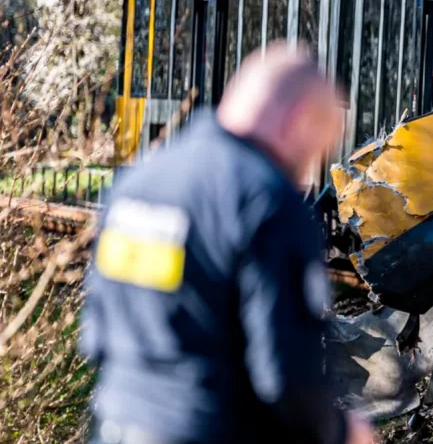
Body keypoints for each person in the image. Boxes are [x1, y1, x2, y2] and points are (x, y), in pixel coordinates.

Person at [81, 43, 375, 444]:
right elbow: (285, 376)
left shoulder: (140, 180)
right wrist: (342, 432)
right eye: (317, 149)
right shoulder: (266, 201)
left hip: (114, 424)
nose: (309, 168)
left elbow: (96, 329)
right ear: (299, 119)